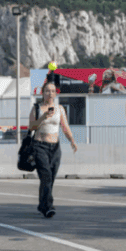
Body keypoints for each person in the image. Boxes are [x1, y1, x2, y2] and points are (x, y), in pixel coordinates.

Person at [28, 80, 78, 219]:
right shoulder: (37, 108)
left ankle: (42, 204)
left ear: (55, 94)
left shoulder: (60, 109)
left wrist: (72, 141)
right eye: (47, 91)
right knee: (46, 176)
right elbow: (31, 127)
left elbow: (65, 127)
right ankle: (48, 207)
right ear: (42, 93)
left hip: (55, 147)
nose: (50, 93)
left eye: (52, 91)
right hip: (40, 146)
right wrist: (43, 117)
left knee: (50, 178)